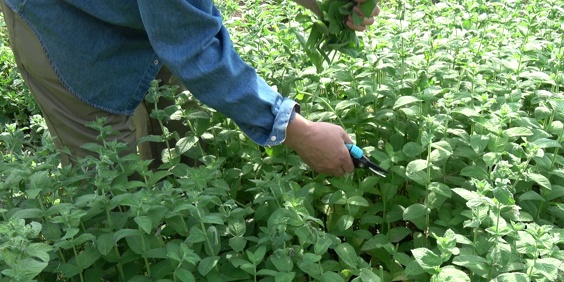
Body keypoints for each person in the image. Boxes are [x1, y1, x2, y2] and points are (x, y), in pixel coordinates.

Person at [1, 0, 380, 176]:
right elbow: (195, 48)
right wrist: (298, 131)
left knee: (179, 136)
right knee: (110, 181)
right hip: (64, 20)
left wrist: (321, 3)